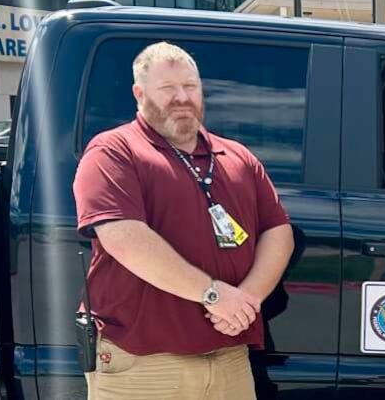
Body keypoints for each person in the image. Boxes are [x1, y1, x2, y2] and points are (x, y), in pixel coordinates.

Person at [73, 41, 295, 400]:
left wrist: (246, 299)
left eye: (190, 86)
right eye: (167, 89)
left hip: (229, 358)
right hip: (145, 363)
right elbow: (123, 238)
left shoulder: (237, 156)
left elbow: (277, 230)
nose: (181, 97)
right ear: (139, 93)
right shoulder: (113, 151)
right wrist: (212, 294)